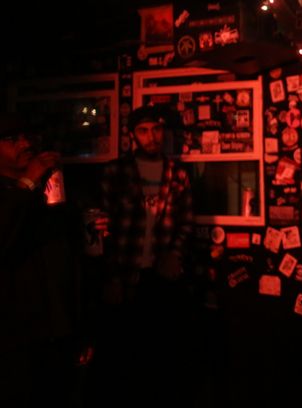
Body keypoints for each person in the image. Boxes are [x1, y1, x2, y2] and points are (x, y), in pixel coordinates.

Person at [93, 103, 194, 406]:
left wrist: (174, 255)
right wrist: (111, 276)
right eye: (144, 130)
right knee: (122, 355)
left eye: (157, 129)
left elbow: (186, 220)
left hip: (160, 276)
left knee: (160, 354)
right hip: (125, 274)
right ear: (132, 135)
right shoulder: (115, 171)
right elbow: (102, 228)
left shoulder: (177, 173)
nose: (152, 136)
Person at [0, 112, 81, 406]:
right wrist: (26, 183)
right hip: (14, 336)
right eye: (12, 139)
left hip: (56, 329)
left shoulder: (45, 190)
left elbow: (67, 255)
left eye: (27, 136)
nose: (25, 144)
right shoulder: (19, 191)